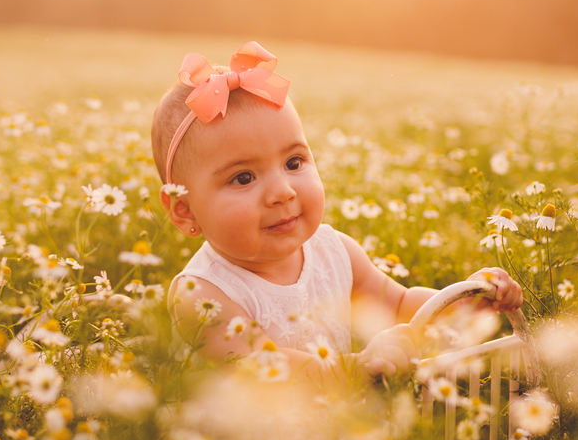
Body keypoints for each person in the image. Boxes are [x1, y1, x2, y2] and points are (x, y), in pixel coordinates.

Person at [152, 42, 523, 383]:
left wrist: (461, 302)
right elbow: (259, 367)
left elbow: (397, 305)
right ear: (185, 211)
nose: (282, 191)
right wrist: (354, 368)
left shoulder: (334, 252)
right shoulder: (201, 293)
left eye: (294, 162)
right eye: (243, 177)